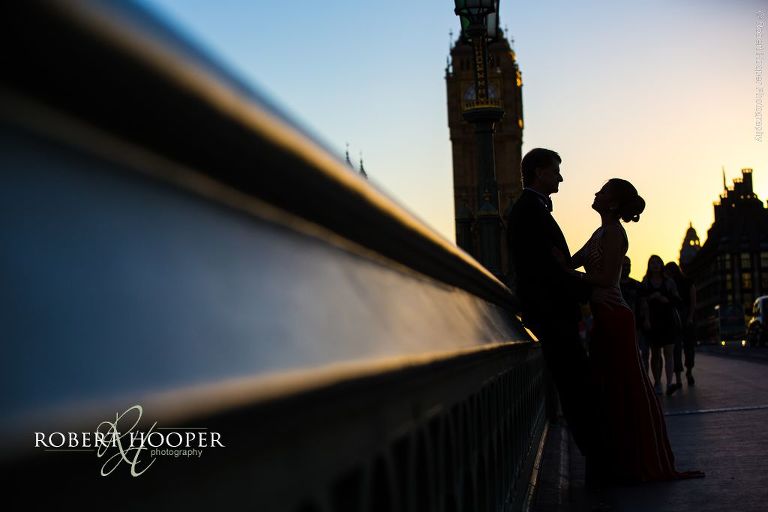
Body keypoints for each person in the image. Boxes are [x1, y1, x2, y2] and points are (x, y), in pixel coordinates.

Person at [559, 178, 703, 484]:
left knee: (622, 388)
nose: (595, 193)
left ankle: (628, 462)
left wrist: (571, 276)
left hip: (616, 318)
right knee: (610, 389)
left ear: (611, 204)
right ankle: (617, 460)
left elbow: (606, 278)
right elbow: (570, 265)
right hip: (604, 318)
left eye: (603, 191)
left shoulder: (614, 233)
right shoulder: (599, 232)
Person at [506, 148, 593, 457]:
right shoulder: (529, 211)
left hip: (552, 313)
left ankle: (598, 461)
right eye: (556, 170)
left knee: (576, 388)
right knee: (578, 389)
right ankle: (598, 463)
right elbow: (547, 269)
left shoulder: (531, 208)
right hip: (552, 315)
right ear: (539, 172)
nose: (560, 176)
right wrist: (589, 287)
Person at [641, 256, 682, 396]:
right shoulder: (646, 282)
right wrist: (646, 319)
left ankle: (669, 383)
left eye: (658, 262)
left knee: (669, 353)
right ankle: (658, 382)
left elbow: (677, 298)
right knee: (656, 354)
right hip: (653, 322)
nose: (655, 265)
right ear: (649, 266)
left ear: (662, 265)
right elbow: (642, 301)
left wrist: (666, 299)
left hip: (668, 321)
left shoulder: (669, 282)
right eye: (652, 263)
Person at [665, 262, 697, 386]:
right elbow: (694, 301)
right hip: (685, 317)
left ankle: (679, 378)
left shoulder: (671, 284)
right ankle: (688, 372)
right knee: (688, 348)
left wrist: (689, 317)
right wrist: (690, 317)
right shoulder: (688, 282)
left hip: (678, 318)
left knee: (677, 349)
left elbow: (692, 301)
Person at [620, 256, 649, 373]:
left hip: (638, 326)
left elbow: (644, 304)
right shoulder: (613, 286)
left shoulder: (637, 285)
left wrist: (646, 319)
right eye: (624, 265)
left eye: (628, 265)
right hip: (620, 326)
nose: (626, 268)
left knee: (643, 354)